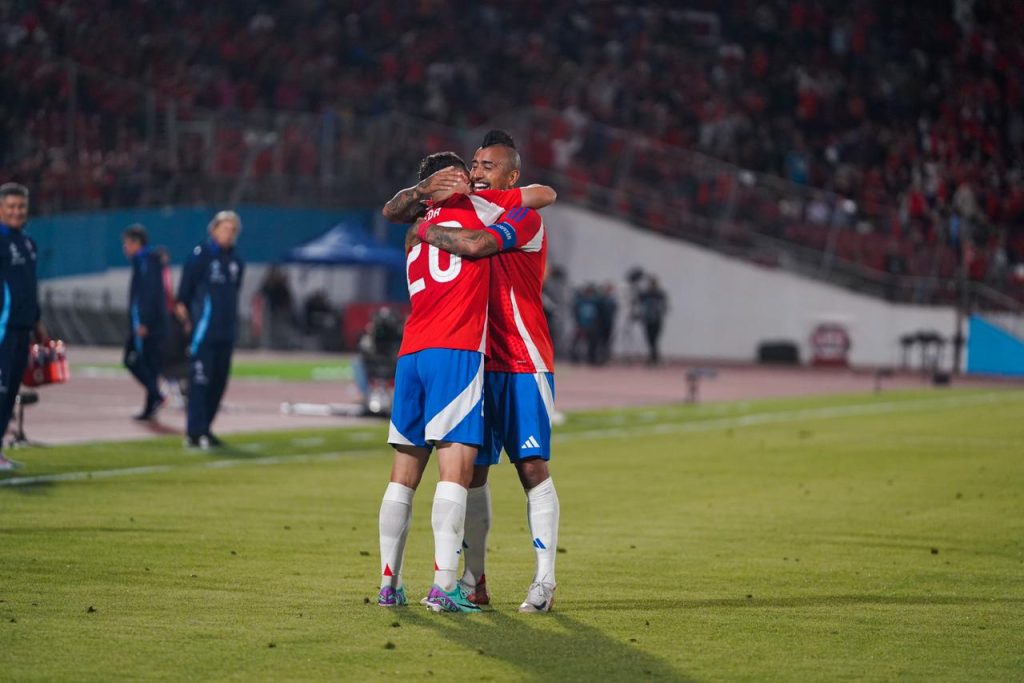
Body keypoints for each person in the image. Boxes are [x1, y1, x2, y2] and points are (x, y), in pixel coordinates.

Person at [375, 151, 555, 613]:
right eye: (469, 167)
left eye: (484, 166)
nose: (475, 174)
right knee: (459, 472)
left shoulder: (417, 227)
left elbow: (542, 196)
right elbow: (529, 204)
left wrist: (422, 218)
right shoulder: (476, 208)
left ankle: (390, 585)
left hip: (419, 351)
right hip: (458, 352)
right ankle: (447, 584)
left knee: (406, 475)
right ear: (450, 178)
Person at [175, 210, 245, 450]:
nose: (229, 234)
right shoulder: (200, 257)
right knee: (200, 383)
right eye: (225, 229)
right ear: (213, 229)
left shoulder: (236, 261)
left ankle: (206, 428)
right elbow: (183, 296)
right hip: (203, 334)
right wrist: (188, 324)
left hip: (226, 333)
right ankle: (193, 432)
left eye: (233, 230)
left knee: (219, 383)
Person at [0, 183, 49, 470]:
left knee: (9, 393)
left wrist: (38, 321)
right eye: (11, 207)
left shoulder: (28, 243)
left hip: (22, 329)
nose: (17, 212)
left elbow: (29, 287)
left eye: (21, 207)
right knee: (2, 391)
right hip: (3, 330)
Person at [121, 224, 169, 420]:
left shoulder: (146, 262)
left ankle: (156, 396)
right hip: (148, 322)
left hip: (147, 324)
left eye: (126, 243)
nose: (124, 248)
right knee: (150, 365)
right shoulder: (149, 260)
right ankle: (151, 406)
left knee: (131, 359)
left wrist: (144, 323)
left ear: (136, 243)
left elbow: (149, 295)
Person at [636, 276, 669, 365]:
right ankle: (654, 357)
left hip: (655, 319)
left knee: (653, 340)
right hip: (649, 319)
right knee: (650, 340)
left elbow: (665, 306)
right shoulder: (647, 293)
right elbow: (639, 299)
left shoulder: (659, 293)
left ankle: (654, 357)